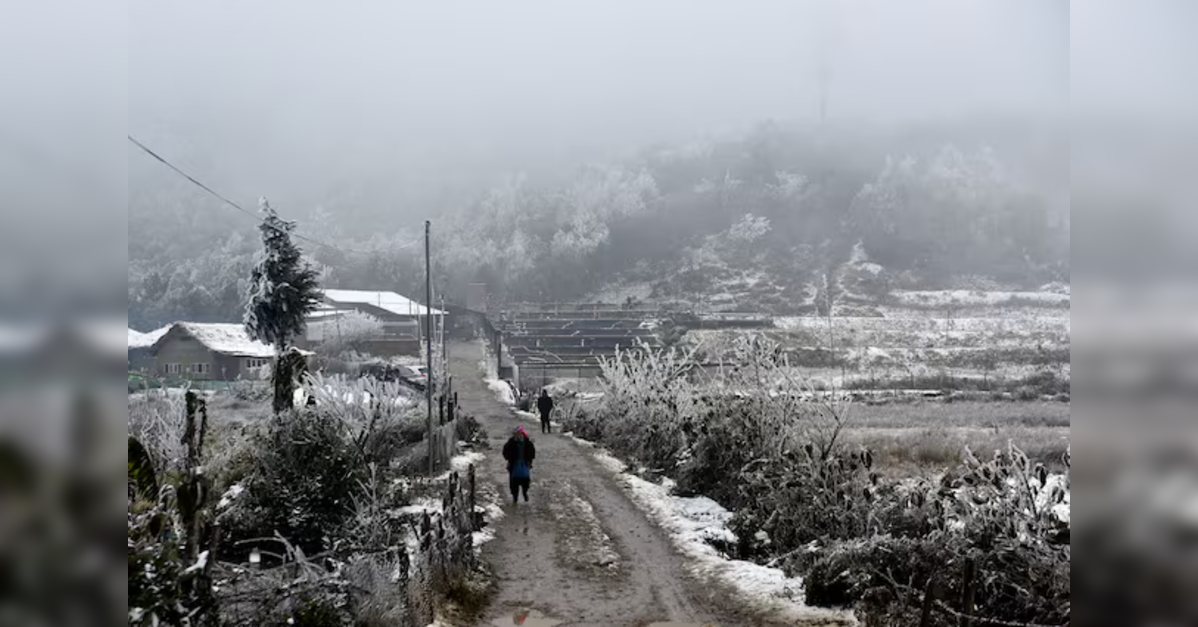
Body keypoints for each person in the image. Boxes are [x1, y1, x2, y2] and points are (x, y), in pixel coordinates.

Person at [502, 426, 536, 505]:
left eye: (519, 433)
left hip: (524, 464)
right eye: (516, 433)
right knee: (514, 483)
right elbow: (505, 451)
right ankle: (515, 498)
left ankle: (525, 493)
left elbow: (532, 452)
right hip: (514, 465)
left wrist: (529, 460)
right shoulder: (511, 442)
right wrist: (508, 458)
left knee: (525, 481)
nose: (517, 435)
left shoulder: (527, 442)